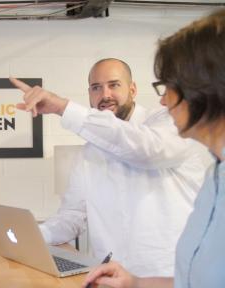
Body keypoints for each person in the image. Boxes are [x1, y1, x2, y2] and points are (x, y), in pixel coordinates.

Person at [11, 58, 207, 277]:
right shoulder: (89, 151)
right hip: (111, 278)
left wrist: (61, 107)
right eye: (96, 88)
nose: (105, 95)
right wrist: (34, 234)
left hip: (171, 277)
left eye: (114, 85)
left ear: (132, 89)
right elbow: (74, 214)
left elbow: (145, 150)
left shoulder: (168, 121)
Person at [82, 9, 225, 288]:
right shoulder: (214, 178)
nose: (162, 102)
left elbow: (148, 149)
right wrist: (135, 283)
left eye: (169, 86)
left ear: (206, 87)